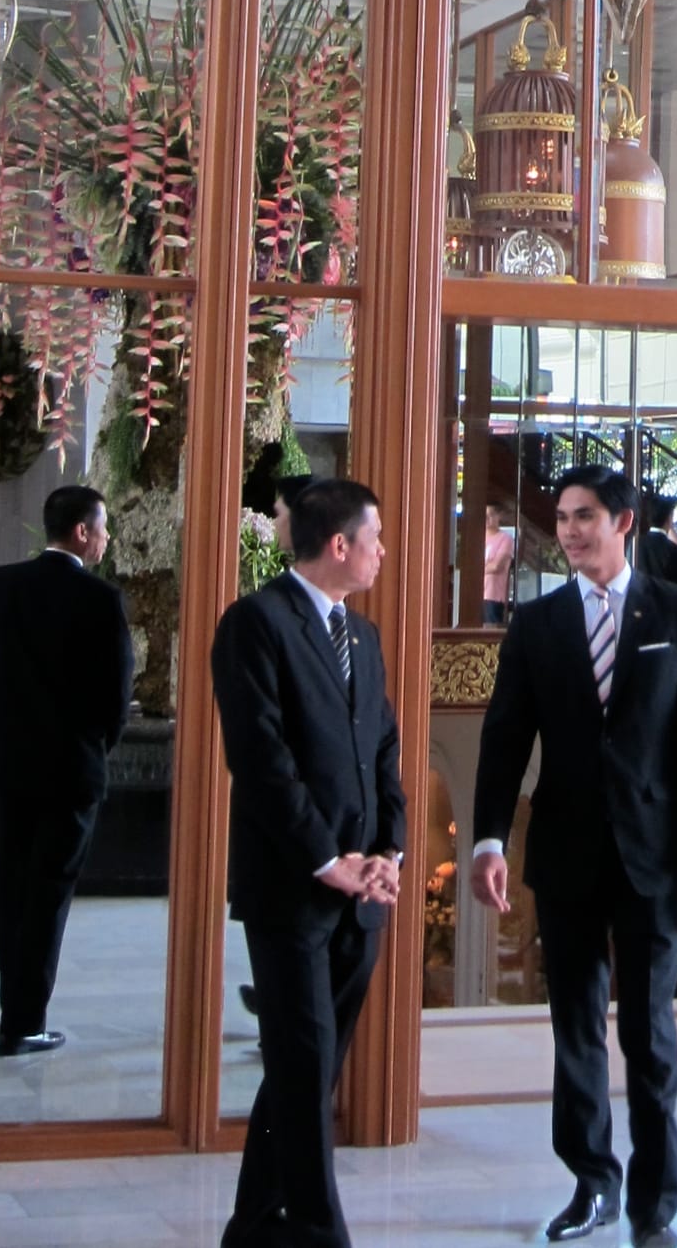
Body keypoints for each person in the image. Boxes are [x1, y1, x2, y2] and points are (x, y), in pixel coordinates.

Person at [472, 466, 677, 1248]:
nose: (569, 530)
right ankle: (592, 1182)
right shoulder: (537, 622)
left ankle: (655, 1206)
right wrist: (488, 837)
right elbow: (504, 738)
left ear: (623, 522)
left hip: (655, 854)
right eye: (562, 517)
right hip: (565, 852)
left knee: (650, 1036)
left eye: (584, 515)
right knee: (576, 1028)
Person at [213, 477, 407, 1248]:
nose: (383, 551)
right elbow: (262, 760)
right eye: (375, 538)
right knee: (302, 1064)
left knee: (309, 1069)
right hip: (293, 887)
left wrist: (388, 849)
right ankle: (321, 1234)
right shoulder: (256, 623)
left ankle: (253, 1224)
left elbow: (383, 747)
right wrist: (327, 859)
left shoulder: (363, 634)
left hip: (362, 895)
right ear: (339, 544)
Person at [0, 483, 134, 1057]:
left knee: (14, 888)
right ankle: (24, 1022)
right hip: (72, 768)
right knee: (50, 894)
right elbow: (116, 695)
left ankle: (11, 1005)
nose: (107, 539)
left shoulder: (0, 585)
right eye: (104, 528)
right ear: (83, 532)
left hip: (14, 761)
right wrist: (96, 745)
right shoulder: (101, 598)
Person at [481, 501, 514, 626]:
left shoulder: (505, 538)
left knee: (490, 630)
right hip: (475, 594)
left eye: (491, 514)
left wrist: (478, 569)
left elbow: (496, 566)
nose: (487, 518)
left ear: (499, 516)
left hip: (493, 595)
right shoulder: (478, 537)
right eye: (484, 515)